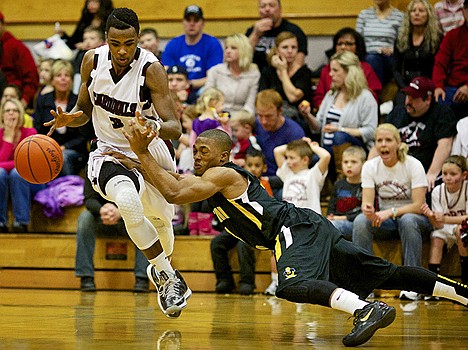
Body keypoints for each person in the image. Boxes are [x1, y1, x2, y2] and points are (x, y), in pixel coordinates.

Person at [118, 125, 468, 348]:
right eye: (195, 151)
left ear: (224, 156)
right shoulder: (209, 181)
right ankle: (463, 294)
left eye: (204, 151)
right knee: (383, 273)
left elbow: (175, 191)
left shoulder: (224, 174)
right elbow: (169, 182)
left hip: (291, 227)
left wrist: (142, 151)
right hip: (308, 227)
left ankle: (365, 309)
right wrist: (127, 161)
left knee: (290, 285)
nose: (198, 156)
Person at [44, 7, 190, 318]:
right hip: (108, 151)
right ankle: (168, 276)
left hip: (149, 153)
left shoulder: (152, 70)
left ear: (138, 39)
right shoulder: (91, 61)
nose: (122, 51)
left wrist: (153, 127)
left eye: (130, 43)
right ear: (107, 40)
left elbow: (174, 127)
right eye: (115, 43)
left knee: (164, 229)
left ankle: (161, 266)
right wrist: (71, 117)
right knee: (127, 200)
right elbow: (84, 108)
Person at [353, 123, 433, 301]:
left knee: (408, 220)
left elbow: (419, 205)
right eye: (379, 141)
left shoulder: (413, 165)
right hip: (387, 221)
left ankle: (413, 283)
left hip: (417, 219)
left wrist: (390, 212)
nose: (383, 144)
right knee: (360, 221)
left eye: (388, 140)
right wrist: (368, 209)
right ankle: (365, 283)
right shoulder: (370, 167)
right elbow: (367, 203)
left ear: (398, 143)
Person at [301, 51, 378, 180]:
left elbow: (370, 131)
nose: (331, 74)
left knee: (339, 137)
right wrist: (307, 115)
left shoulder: (365, 97)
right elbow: (318, 127)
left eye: (335, 70)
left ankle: (343, 179)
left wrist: (341, 130)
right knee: (306, 156)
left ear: (349, 72)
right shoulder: (331, 94)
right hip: (328, 149)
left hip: (354, 151)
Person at [76, 175, 149, 292]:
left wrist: (121, 211)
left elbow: (144, 198)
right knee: (85, 218)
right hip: (103, 217)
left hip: (129, 217)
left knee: (146, 220)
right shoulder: (92, 165)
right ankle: (86, 277)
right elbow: (89, 199)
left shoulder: (133, 165)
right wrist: (102, 210)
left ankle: (142, 277)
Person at [385, 76, 458, 191]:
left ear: (428, 100)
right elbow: (379, 143)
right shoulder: (397, 113)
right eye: (407, 96)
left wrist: (432, 174)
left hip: (424, 172)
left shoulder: (441, 113)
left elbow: (445, 145)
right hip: (395, 172)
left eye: (414, 98)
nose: (408, 101)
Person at [210, 150, 265, 295]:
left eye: (257, 165)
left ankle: (247, 282)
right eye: (250, 165)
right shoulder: (238, 181)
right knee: (217, 243)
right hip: (236, 227)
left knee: (243, 244)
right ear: (244, 166)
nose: (253, 169)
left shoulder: (264, 185)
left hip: (255, 229)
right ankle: (224, 280)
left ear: (264, 168)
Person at [34, 60, 88, 176]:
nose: (63, 79)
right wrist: (50, 147)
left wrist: (63, 147)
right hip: (47, 148)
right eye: (59, 76)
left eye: (67, 75)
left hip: (74, 151)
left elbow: (83, 136)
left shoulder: (79, 102)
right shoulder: (42, 100)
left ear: (72, 80)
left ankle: (67, 191)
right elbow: (37, 128)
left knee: (63, 156)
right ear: (52, 80)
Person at [421, 155, 468, 286]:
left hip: (463, 228)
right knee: (436, 237)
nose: (447, 177)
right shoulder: (437, 191)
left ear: (464, 175)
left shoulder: (466, 189)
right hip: (445, 227)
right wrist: (430, 215)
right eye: (445, 173)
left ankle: (465, 279)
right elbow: (438, 224)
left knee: (460, 231)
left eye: (453, 174)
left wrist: (446, 218)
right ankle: (433, 284)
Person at [0, 98, 44, 233]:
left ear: (20, 114)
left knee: (17, 173)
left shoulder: (30, 133)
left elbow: (27, 164)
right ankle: (1, 222)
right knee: (0, 173)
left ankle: (21, 222)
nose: (11, 114)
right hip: (5, 180)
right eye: (8, 111)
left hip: (31, 181)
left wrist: (8, 165)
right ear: (2, 115)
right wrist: (8, 137)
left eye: (15, 110)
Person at [313, 27, 381, 109]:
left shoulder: (365, 68)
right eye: (339, 44)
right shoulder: (327, 69)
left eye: (348, 44)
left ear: (357, 47)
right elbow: (318, 97)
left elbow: (374, 97)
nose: (343, 47)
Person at [254, 89, 305, 199]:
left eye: (268, 116)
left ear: (280, 111)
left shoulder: (294, 133)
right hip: (258, 179)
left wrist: (269, 181)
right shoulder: (256, 124)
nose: (263, 121)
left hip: (281, 183)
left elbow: (297, 172)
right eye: (260, 115)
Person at [258, 31, 312, 132]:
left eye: (294, 47)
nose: (290, 51)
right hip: (272, 115)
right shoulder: (268, 71)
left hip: (298, 118)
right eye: (285, 47)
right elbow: (263, 97)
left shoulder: (304, 72)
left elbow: (293, 97)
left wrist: (283, 71)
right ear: (277, 50)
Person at [162, 5, 223, 92]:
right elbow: (165, 73)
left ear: (202, 23)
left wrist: (189, 85)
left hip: (202, 89)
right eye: (188, 20)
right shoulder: (173, 44)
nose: (192, 24)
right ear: (183, 22)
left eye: (196, 20)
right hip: (176, 89)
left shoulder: (212, 44)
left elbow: (213, 77)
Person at [393, 0, 442, 106]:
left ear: (428, 15)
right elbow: (396, 70)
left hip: (429, 85)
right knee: (400, 104)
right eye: (413, 11)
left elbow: (439, 67)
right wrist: (405, 88)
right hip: (407, 85)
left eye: (421, 11)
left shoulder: (438, 39)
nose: (416, 13)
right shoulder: (401, 39)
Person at [245, 0, 308, 73]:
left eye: (271, 5)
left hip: (284, 77)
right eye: (263, 6)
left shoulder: (294, 31)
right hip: (256, 77)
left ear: (280, 9)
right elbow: (242, 59)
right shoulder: (252, 31)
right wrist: (255, 34)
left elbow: (298, 65)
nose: (267, 9)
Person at [205, 33, 260, 115]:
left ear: (244, 51)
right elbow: (207, 99)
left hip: (241, 118)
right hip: (217, 114)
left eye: (233, 48)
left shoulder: (254, 74)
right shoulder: (215, 71)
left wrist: (237, 119)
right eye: (226, 48)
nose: (228, 51)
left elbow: (250, 106)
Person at [432, 0, 468, 120]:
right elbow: (440, 63)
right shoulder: (452, 35)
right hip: (453, 87)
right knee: (440, 101)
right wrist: (438, 86)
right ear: (463, 11)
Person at [273, 138, 330, 213]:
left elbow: (326, 156)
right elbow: (277, 151)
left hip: (310, 221)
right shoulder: (287, 173)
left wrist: (311, 146)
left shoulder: (313, 174)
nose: (287, 161)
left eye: (292, 158)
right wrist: (301, 143)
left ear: (305, 160)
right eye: (287, 157)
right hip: (290, 219)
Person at [356, 0, 404, 86]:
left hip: (389, 57)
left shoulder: (399, 16)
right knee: (372, 59)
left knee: (374, 60)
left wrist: (392, 49)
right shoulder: (364, 15)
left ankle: (374, 93)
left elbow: (403, 42)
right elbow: (357, 40)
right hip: (368, 55)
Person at [0, 11, 39, 107]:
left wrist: (24, 100)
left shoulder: (16, 47)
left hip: (15, 100)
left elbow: (32, 75)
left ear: (3, 24)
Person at [327, 146, 366, 240]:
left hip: (356, 223)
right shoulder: (338, 184)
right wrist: (330, 215)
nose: (349, 165)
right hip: (337, 220)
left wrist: (341, 218)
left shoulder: (366, 185)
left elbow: (363, 213)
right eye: (345, 162)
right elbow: (331, 206)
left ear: (364, 164)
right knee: (327, 226)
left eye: (354, 162)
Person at [72, 26, 106, 95]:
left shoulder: (105, 55)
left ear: (101, 41)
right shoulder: (81, 54)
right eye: (85, 39)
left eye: (92, 39)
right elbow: (77, 75)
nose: (87, 42)